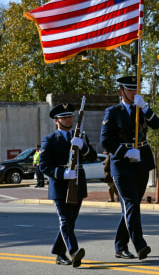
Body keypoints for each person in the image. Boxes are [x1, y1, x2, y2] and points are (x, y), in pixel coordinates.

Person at [100, 75, 159, 260]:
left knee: (131, 207)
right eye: (130, 90)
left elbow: (156, 124)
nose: (134, 93)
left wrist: (146, 108)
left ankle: (120, 246)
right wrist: (123, 152)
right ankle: (140, 245)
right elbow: (105, 140)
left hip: (141, 162)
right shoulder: (113, 112)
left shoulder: (141, 109)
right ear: (121, 92)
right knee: (132, 204)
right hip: (122, 164)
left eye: (136, 89)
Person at [39, 102, 97, 267]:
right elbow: (44, 166)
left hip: (77, 184)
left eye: (70, 116)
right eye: (64, 117)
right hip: (60, 186)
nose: (69, 119)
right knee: (65, 220)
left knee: (71, 221)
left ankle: (59, 252)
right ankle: (73, 251)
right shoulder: (49, 140)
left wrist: (83, 147)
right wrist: (61, 173)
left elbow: (92, 156)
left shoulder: (80, 136)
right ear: (56, 121)